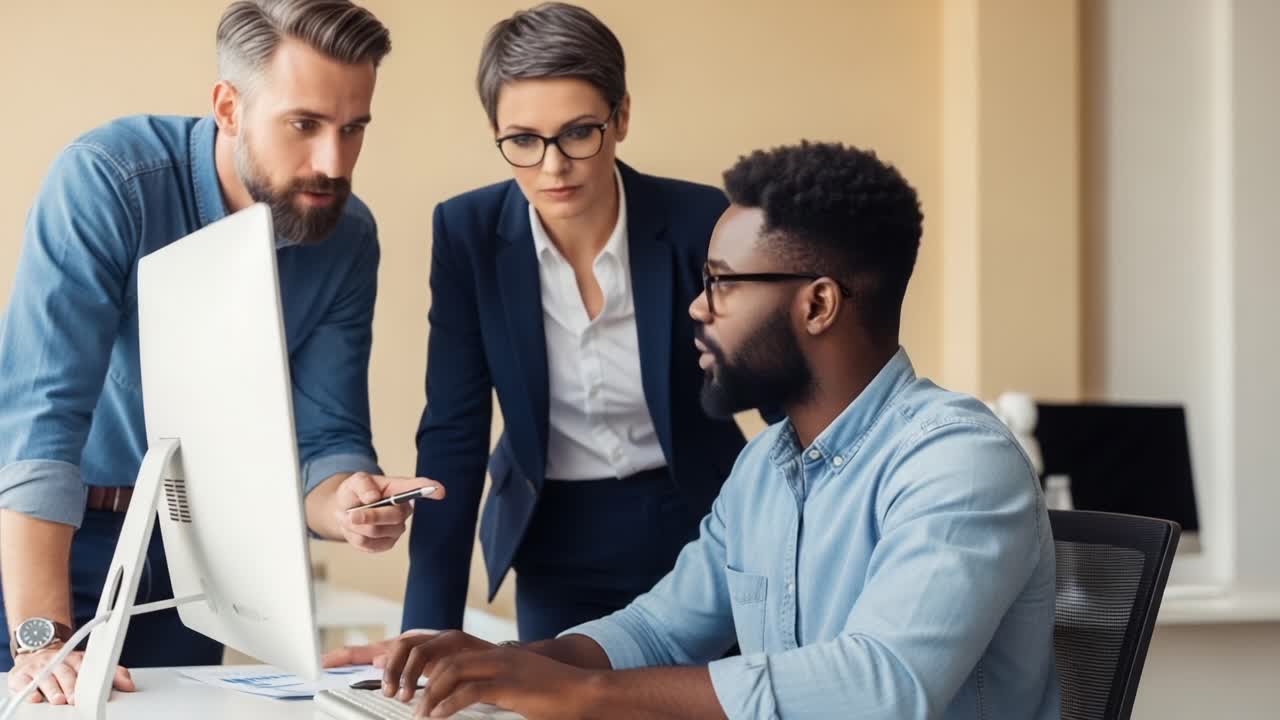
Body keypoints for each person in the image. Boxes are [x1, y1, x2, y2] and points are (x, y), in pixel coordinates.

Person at [329, 141, 1061, 720]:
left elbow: (883, 686)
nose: (696, 309)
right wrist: (503, 663)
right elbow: (658, 631)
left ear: (818, 305)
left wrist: (579, 699)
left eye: (721, 283)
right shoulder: (767, 467)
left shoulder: (955, 462)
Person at [0, 0, 443, 705]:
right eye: (304, 124)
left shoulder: (348, 237)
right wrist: (40, 638)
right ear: (229, 107)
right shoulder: (109, 182)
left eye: (352, 129)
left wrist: (350, 503)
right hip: (49, 539)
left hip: (192, 559)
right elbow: (40, 423)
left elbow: (328, 442)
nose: (332, 162)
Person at [400, 2, 762, 642]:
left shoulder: (696, 219)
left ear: (621, 117)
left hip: (702, 523)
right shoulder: (466, 235)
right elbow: (453, 434)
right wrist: (427, 631)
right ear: (496, 130)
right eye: (522, 140)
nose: (552, 166)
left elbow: (770, 384)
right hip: (555, 537)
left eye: (577, 133)